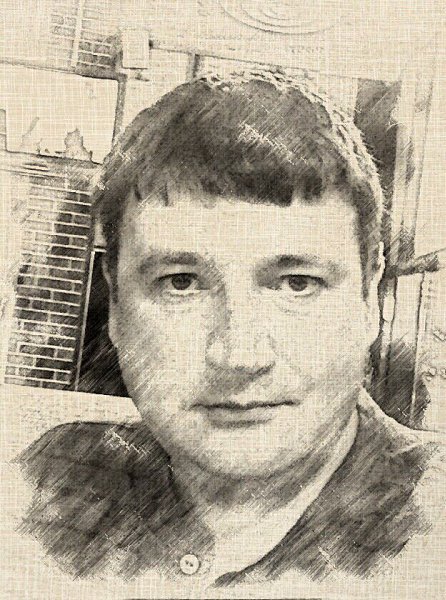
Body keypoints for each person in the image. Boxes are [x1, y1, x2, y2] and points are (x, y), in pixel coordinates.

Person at [17, 70, 445, 587]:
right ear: (116, 305)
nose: (239, 354)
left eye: (296, 284)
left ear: (368, 298)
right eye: (181, 282)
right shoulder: (45, 485)